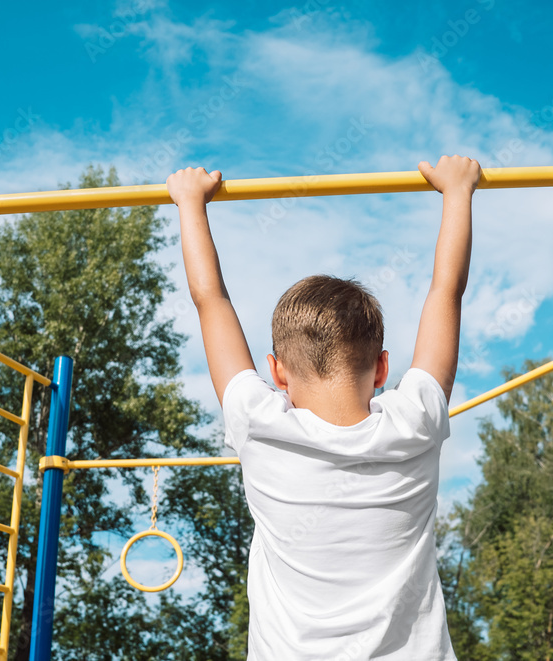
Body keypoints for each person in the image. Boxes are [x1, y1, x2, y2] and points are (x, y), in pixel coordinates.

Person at [166, 155, 481, 660]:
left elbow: (210, 300)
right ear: (382, 369)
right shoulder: (414, 422)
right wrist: (458, 191)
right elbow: (448, 292)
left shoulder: (260, 426)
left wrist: (189, 202)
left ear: (277, 372)